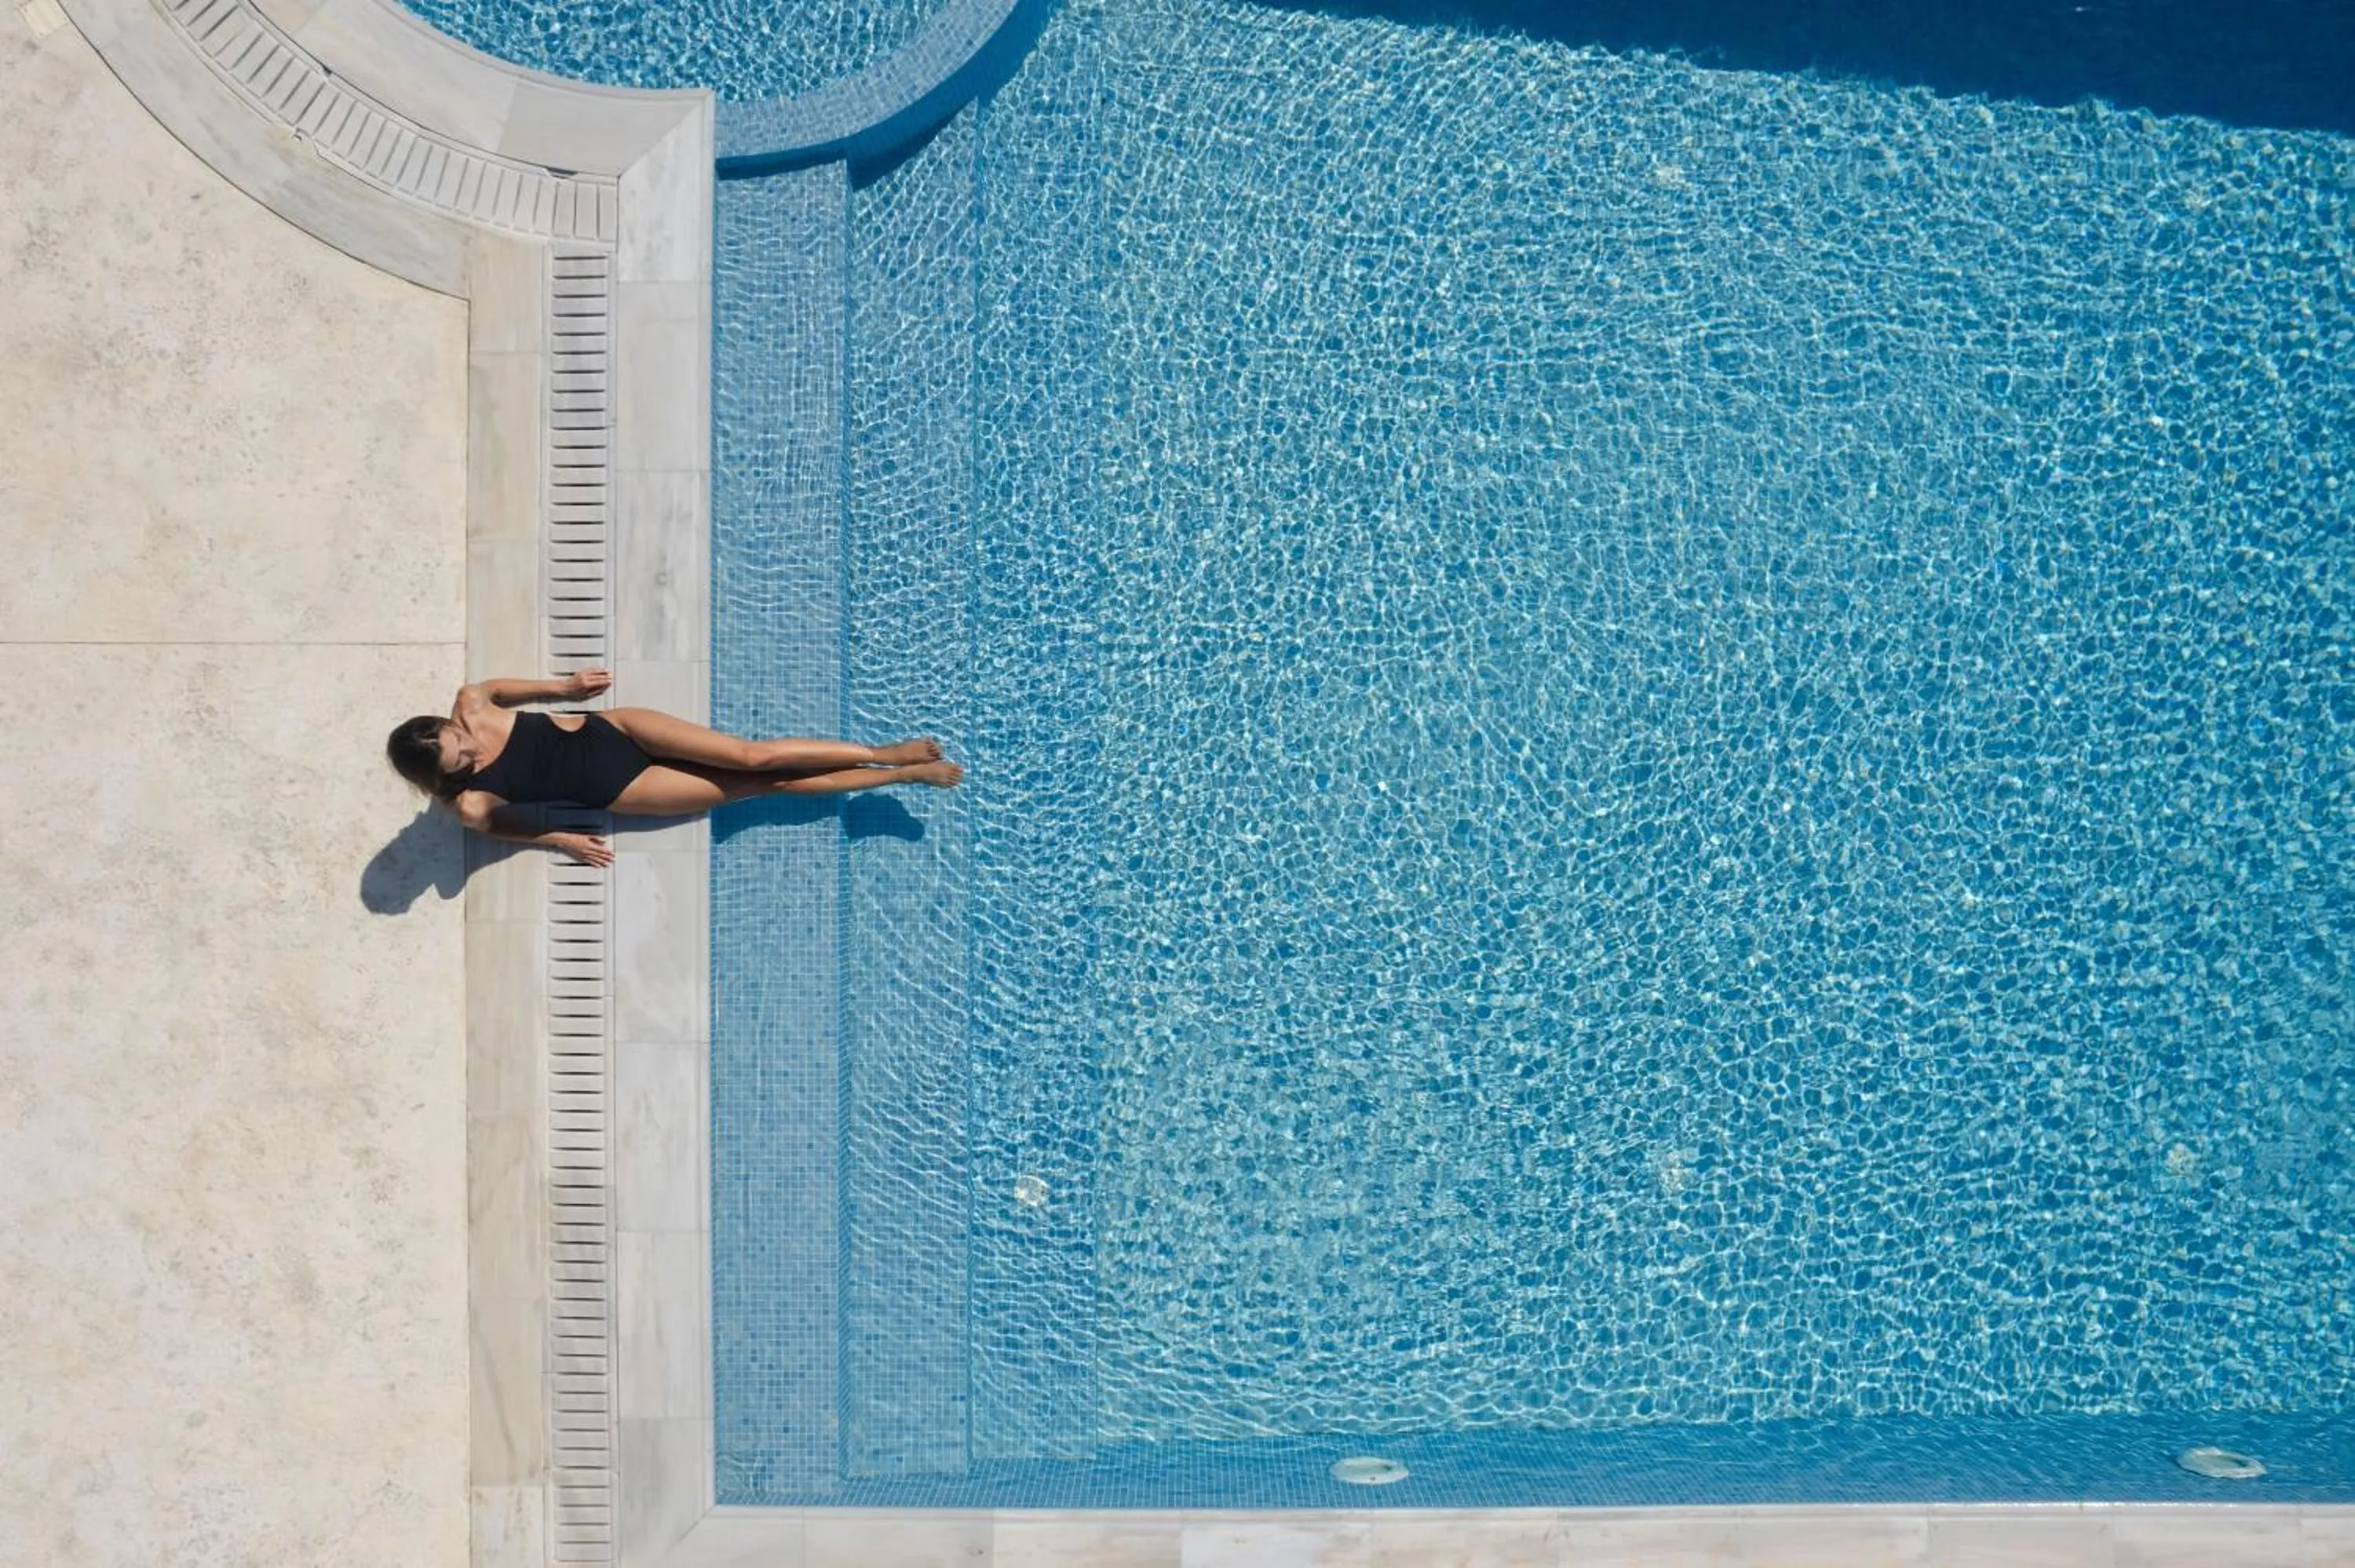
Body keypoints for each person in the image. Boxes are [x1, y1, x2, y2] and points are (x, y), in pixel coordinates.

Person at [385, 668, 960, 866]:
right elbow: (502, 825)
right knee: (765, 784)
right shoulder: (469, 802)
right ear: (442, 773)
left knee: (751, 754)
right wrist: (561, 838)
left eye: (454, 735)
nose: (468, 746)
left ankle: (882, 750)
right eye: (459, 758)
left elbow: (495, 687)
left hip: (615, 729)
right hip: (623, 786)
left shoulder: (470, 705)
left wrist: (563, 687)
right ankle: (898, 775)